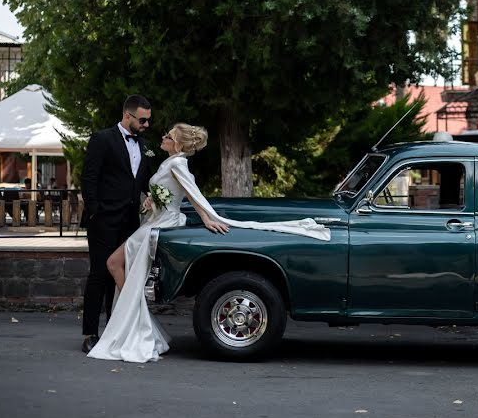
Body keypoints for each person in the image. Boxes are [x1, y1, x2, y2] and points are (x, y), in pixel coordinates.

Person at [87, 123, 330, 363]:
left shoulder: (178, 163)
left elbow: (193, 193)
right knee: (120, 267)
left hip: (159, 225)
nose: (164, 136)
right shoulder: (169, 162)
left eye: (169, 136)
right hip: (154, 220)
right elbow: (168, 193)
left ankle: (137, 319)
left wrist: (207, 217)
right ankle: (137, 320)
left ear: (179, 144)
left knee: (113, 264)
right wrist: (152, 202)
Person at [80, 95, 154, 354]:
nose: (146, 125)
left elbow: (143, 179)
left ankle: (115, 330)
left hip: (130, 221)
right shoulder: (102, 139)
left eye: (148, 121)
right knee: (99, 274)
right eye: (142, 120)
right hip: (103, 219)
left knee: (121, 274)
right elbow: (88, 177)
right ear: (128, 116)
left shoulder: (144, 144)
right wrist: (95, 212)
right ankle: (90, 333)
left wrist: (154, 195)